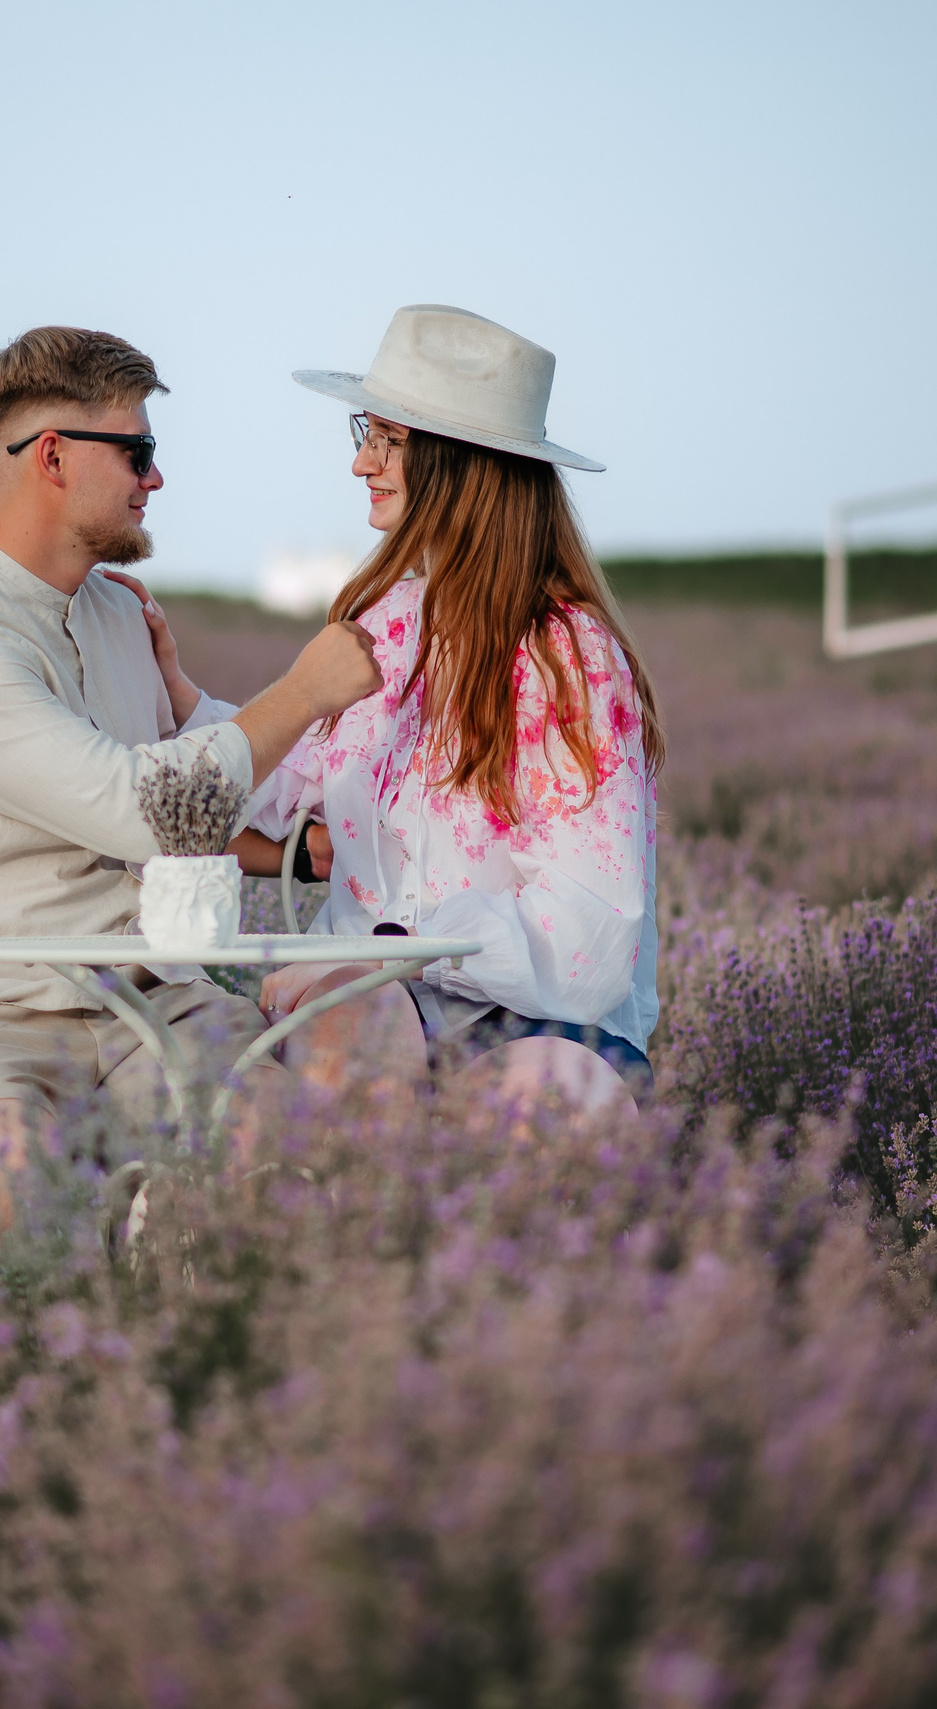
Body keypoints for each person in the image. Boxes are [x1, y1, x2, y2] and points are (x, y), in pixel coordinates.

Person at [0, 325, 382, 1233]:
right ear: (52, 456)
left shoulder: (119, 614)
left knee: (286, 1162)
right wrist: (305, 691)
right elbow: (139, 807)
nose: (154, 478)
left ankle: (205, 1350)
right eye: (138, 450)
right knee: (13, 1183)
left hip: (141, 1001)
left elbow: (161, 801)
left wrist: (297, 854)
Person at [228, 304, 665, 1116]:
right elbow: (255, 787)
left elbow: (587, 942)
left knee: (544, 1112)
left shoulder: (569, 659)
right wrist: (176, 700)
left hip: (548, 1027)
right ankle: (346, 1239)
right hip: (380, 1004)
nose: (361, 460)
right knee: (341, 1039)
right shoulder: (379, 630)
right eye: (366, 430)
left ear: (465, 462)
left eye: (387, 437)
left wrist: (393, 953)